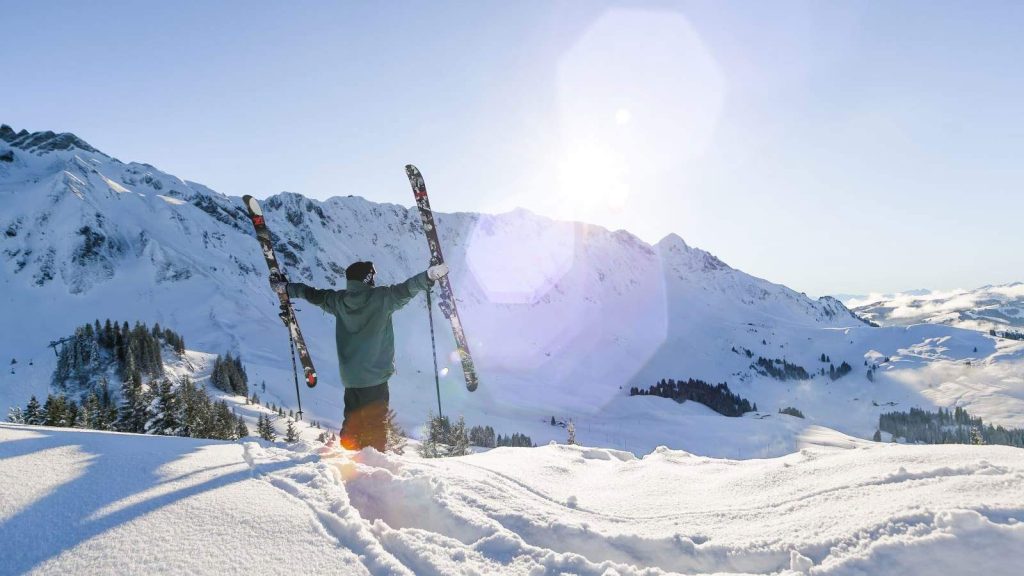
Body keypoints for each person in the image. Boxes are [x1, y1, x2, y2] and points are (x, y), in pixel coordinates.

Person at [273, 261, 449, 451]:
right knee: (375, 427)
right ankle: (374, 466)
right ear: (367, 278)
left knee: (352, 423)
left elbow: (311, 294)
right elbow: (406, 289)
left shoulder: (339, 300)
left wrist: (287, 288)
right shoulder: (381, 298)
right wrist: (428, 276)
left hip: (351, 378)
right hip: (375, 379)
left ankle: (348, 461)